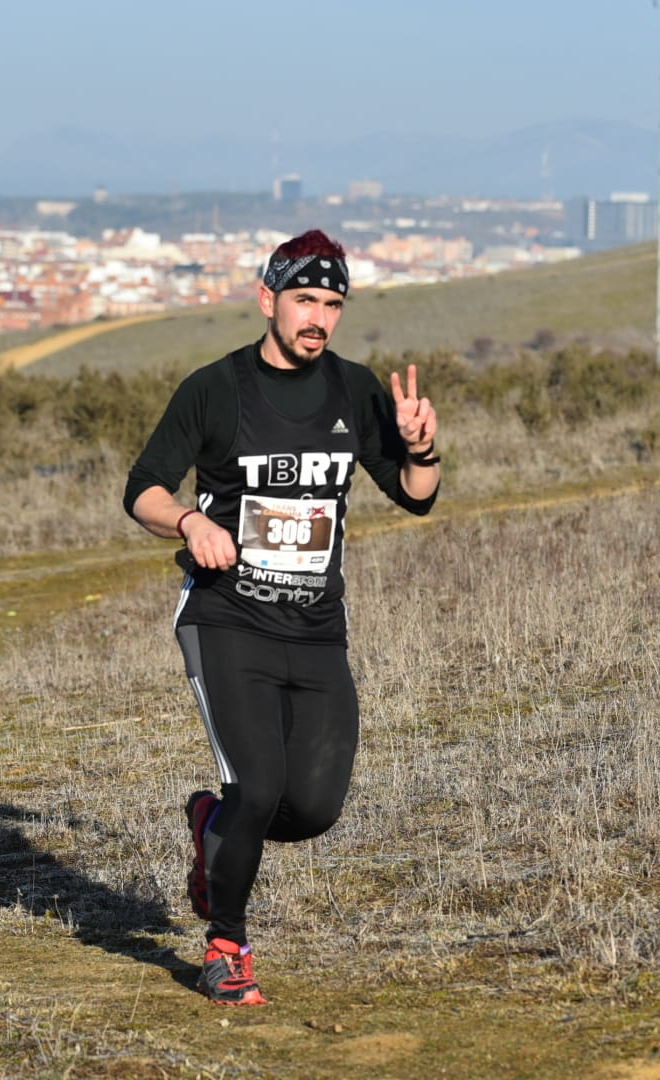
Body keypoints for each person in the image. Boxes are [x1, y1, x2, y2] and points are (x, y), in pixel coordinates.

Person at [123, 230, 440, 1006]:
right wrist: (191, 523)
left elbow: (416, 494)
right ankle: (226, 947)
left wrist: (422, 449)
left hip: (317, 629)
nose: (318, 319)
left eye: (332, 305)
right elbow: (144, 487)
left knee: (314, 810)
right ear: (267, 299)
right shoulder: (215, 388)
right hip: (227, 620)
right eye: (305, 300)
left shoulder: (356, 389)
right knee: (258, 786)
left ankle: (212, 827)